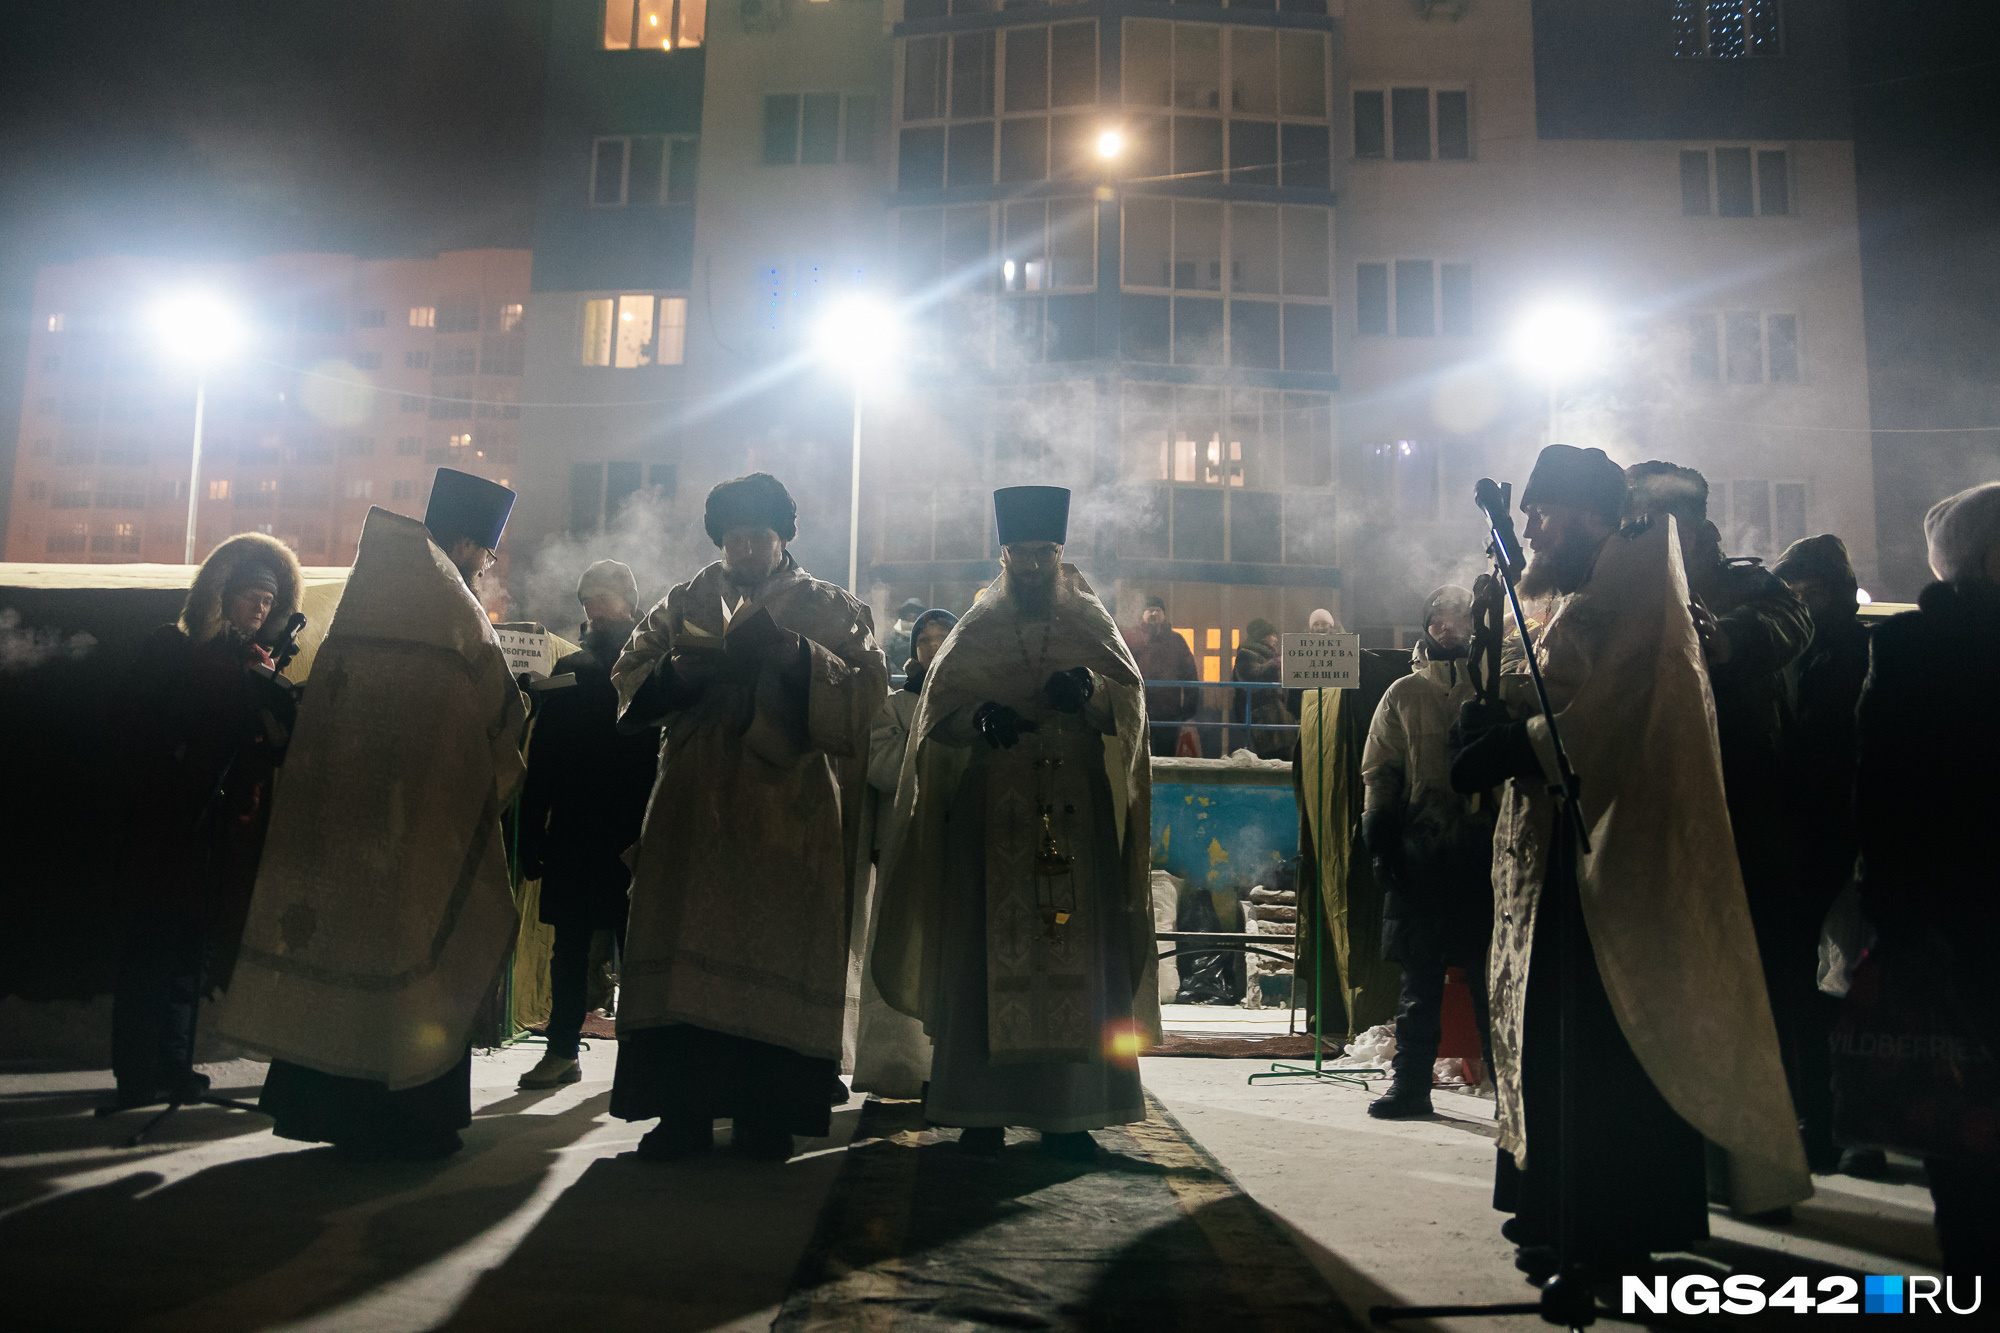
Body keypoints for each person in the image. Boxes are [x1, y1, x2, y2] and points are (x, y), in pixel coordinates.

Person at [1449, 444, 1808, 1278]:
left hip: (1614, 861)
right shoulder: (1580, 587)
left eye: (1545, 514)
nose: (1534, 531)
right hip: (1559, 856)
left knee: (1601, 1049)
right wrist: (1494, 717)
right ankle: (1551, 1207)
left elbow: (1607, 714)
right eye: (1528, 515)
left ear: (1589, 517)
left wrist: (1516, 742)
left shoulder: (1641, 585)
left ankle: (1607, 1227)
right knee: (1548, 1036)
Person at [218, 469, 526, 1159]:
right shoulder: (451, 602)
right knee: (418, 955)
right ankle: (409, 1122)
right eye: (486, 553)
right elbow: (497, 716)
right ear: (467, 542)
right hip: (416, 827)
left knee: (341, 949)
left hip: (344, 823)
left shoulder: (371, 590)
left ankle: (328, 1111)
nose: (485, 566)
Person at [873, 486, 1158, 1162]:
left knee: (1076, 951)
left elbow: (1130, 703)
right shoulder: (978, 626)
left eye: (1043, 553)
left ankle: (1071, 1114)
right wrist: (978, 718)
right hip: (991, 814)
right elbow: (936, 713)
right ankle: (980, 1111)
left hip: (1076, 811)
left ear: (1060, 553)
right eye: (1020, 554)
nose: (1031, 566)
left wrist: (1089, 690)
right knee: (982, 948)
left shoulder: (1089, 617)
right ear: (1003, 554)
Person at [608, 472, 887, 1162]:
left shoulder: (829, 607)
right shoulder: (685, 600)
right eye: (733, 538)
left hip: (788, 807)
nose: (745, 550)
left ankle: (769, 1115)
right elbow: (628, 675)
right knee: (684, 943)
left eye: (758, 537)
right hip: (693, 802)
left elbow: (867, 692)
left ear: (783, 537)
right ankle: (682, 1115)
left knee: (775, 945)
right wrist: (676, 676)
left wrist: (796, 654)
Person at [1627, 462, 1819, 1179]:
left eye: (1648, 515)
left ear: (1690, 522)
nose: (1635, 529)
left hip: (1748, 823)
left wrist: (1725, 639)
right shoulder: (1629, 585)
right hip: (1663, 826)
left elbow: (1787, 624)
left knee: (1756, 996)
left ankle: (1763, 1156)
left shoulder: (1747, 585)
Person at [1852, 482, 2000, 1275]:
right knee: (1962, 1095)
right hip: (1956, 917)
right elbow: (1884, 790)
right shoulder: (1914, 648)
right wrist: (1898, 915)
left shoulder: (1910, 647)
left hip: (1942, 911)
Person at [109, 533, 302, 1109]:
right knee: (152, 947)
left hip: (224, 828)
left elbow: (269, 750)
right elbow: (140, 728)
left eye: (269, 601)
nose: (260, 608)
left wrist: (278, 718)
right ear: (223, 594)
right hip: (174, 821)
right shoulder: (175, 648)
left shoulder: (261, 663)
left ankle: (172, 1063)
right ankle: (136, 1071)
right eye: (250, 596)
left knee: (190, 952)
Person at [514, 560, 656, 1090]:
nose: (595, 606)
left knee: (637, 949)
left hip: (633, 829)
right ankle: (562, 1051)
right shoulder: (570, 666)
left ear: (629, 602)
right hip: (575, 828)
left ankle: (641, 1063)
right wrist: (533, 825)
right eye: (588, 597)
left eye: (605, 595)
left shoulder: (652, 666)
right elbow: (545, 755)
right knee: (569, 947)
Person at [1359, 585, 1494, 1120]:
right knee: (1419, 979)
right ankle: (1411, 1084)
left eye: (1459, 616)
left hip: (1483, 849)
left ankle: (1512, 1092)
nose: (1447, 626)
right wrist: (1379, 833)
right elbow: (1381, 769)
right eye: (1438, 618)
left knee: (1492, 980)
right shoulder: (1403, 693)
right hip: (1421, 850)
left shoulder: (1492, 685)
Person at [1773, 533, 1874, 1173]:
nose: (1805, 603)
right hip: (1803, 838)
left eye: (1813, 592)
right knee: (1808, 988)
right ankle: (1822, 1117)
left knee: (1849, 986)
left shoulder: (1861, 652)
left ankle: (1851, 1125)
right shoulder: (1792, 654)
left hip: (1845, 836)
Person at [850, 607, 956, 1098]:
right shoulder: (894, 706)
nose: (932, 646)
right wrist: (935, 753)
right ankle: (899, 1065)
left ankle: (953, 1067)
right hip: (903, 837)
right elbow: (879, 764)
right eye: (923, 639)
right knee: (901, 939)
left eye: (942, 636)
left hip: (956, 836)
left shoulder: (973, 700)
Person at [1123, 595, 1199, 757]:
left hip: (1168, 710)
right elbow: (1122, 669)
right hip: (1139, 708)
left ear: (1163, 614)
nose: (1154, 614)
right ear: (1143, 613)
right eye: (1150, 610)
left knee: (1166, 753)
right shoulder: (1131, 639)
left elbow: (1189, 672)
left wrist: (1190, 705)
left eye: (1158, 610)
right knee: (1140, 754)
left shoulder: (1176, 640)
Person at [1231, 617, 1290, 758]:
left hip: (1272, 713)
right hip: (1259, 713)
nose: (1275, 639)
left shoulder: (1269, 655)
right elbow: (1251, 677)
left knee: (1280, 753)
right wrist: (1273, 664)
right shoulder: (1246, 654)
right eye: (1272, 635)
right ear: (1262, 636)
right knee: (1270, 755)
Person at [884, 598, 925, 679]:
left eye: (915, 612)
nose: (912, 614)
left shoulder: (924, 635)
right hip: (896, 678)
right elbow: (888, 658)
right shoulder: (893, 636)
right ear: (904, 614)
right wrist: (899, 674)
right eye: (910, 611)